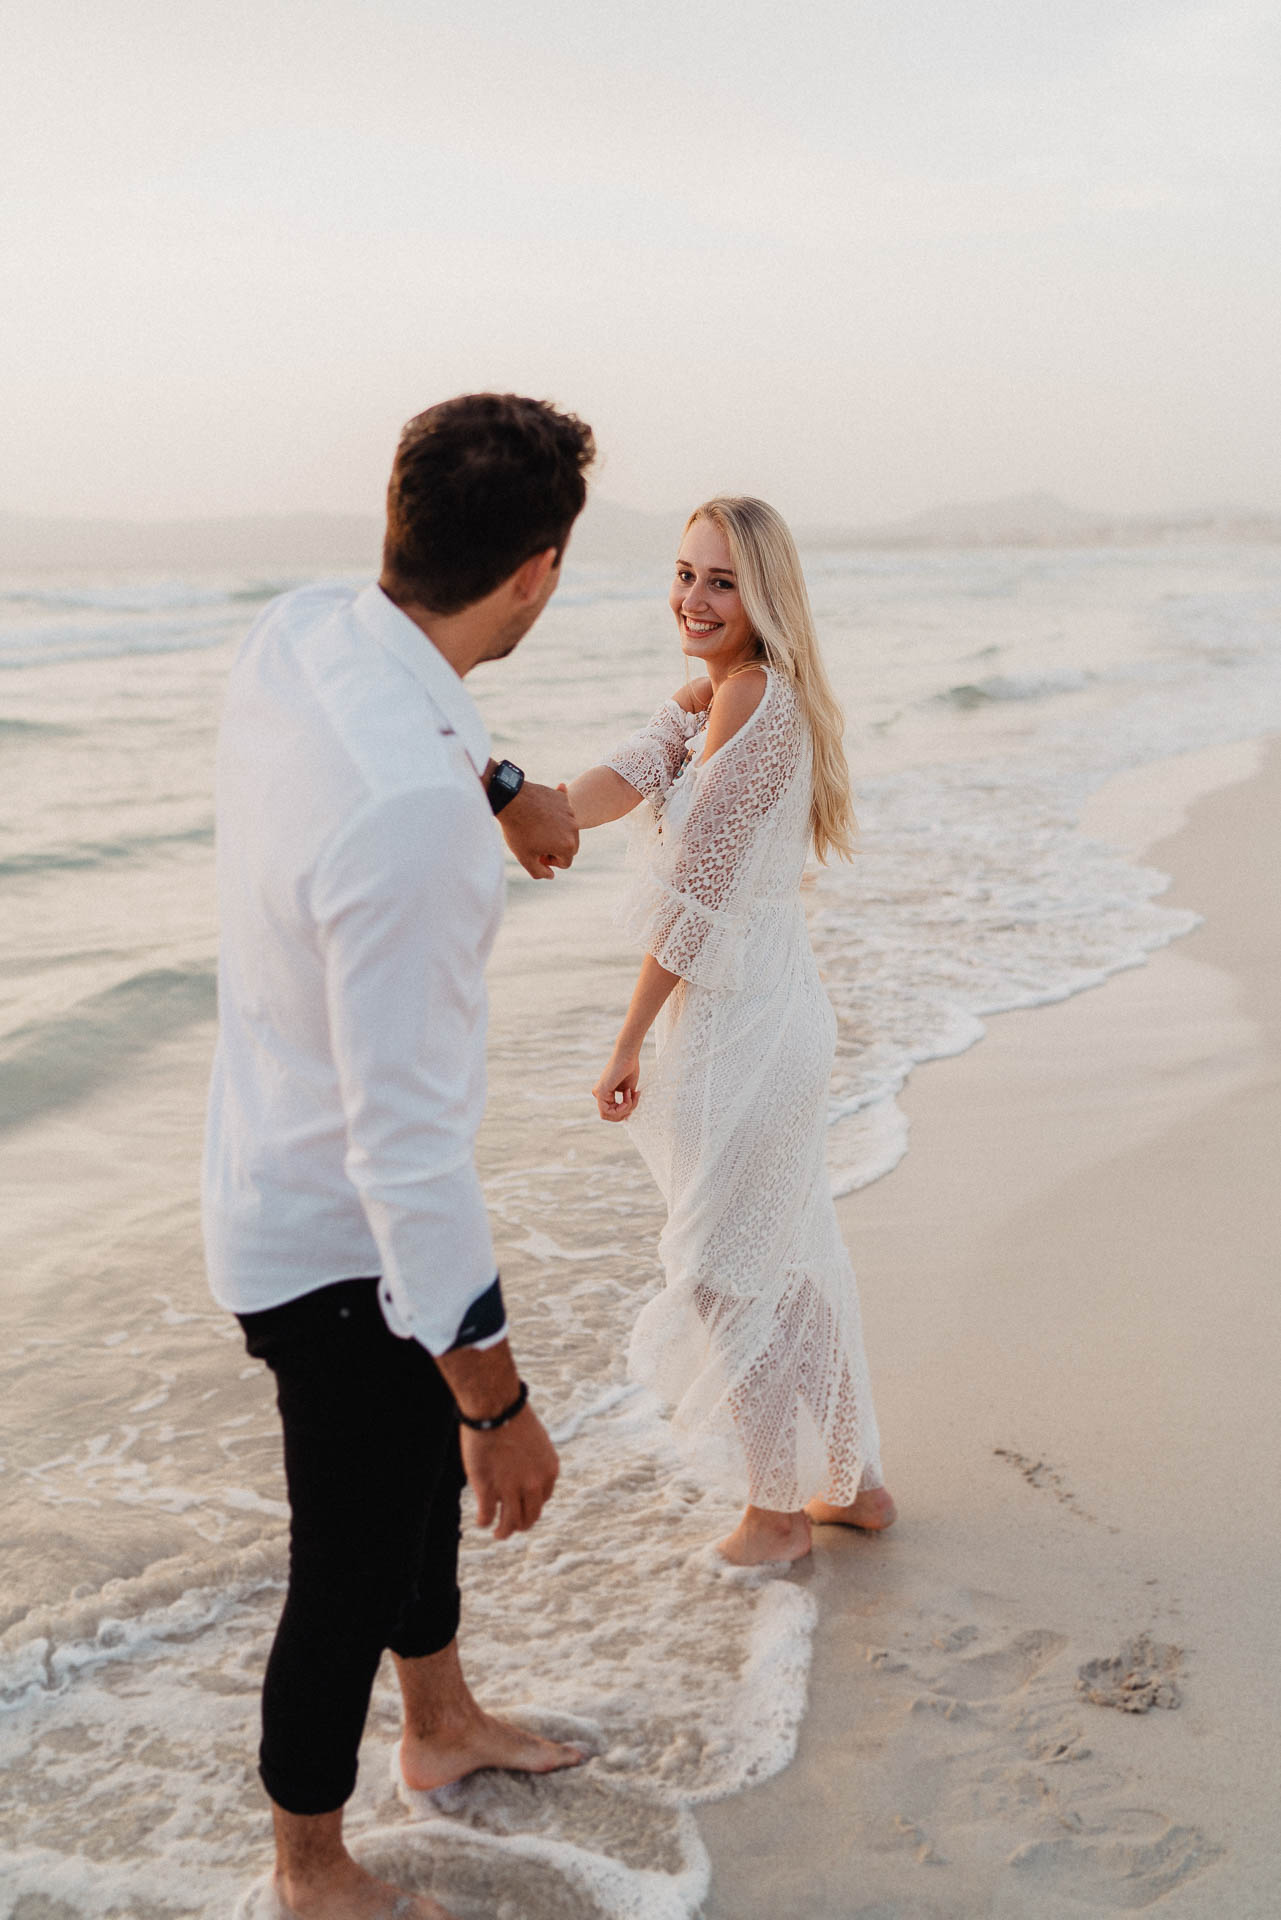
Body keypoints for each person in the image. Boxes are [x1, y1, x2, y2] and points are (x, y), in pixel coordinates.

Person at [202, 393, 596, 1920]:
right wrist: (499, 1399)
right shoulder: (411, 829)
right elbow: (410, 1159)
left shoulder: (307, 628)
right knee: (351, 1558)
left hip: (279, 1161)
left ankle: (440, 1728)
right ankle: (309, 1866)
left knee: (403, 1493)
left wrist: (506, 791)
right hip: (327, 1228)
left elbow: (424, 700)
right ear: (538, 575)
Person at [566, 497, 897, 1567]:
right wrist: (504, 793)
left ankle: (775, 1510)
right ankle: (853, 1484)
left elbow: (694, 900)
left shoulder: (750, 700)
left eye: (720, 581)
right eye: (683, 574)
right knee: (782, 1252)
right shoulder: (720, 694)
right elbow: (613, 786)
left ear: (763, 596)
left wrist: (626, 1046)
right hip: (770, 1009)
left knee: (718, 1264)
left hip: (741, 1024)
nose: (693, 599)